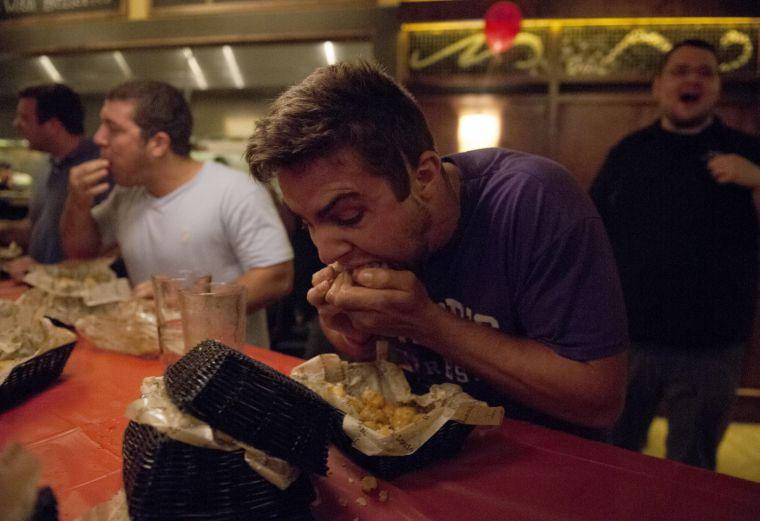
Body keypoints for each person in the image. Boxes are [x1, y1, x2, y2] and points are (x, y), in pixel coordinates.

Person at [245, 60, 628, 439]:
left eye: (349, 215)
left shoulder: (531, 200)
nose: (326, 251)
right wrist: (356, 335)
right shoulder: (368, 244)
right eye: (308, 223)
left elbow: (598, 399)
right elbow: (386, 372)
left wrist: (430, 325)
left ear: (424, 177)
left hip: (551, 462)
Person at [591, 40, 760, 469]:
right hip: (630, 339)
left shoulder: (748, 152)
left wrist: (758, 179)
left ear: (718, 87)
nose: (692, 79)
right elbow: (594, 235)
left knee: (692, 467)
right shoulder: (628, 153)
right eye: (680, 71)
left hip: (713, 346)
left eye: (704, 72)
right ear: (659, 86)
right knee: (611, 455)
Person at [60, 80, 293, 348]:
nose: (98, 138)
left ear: (158, 144)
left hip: (227, 362)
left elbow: (277, 275)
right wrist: (77, 202)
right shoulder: (127, 195)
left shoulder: (235, 190)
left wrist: (193, 306)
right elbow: (80, 252)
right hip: (154, 353)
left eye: (113, 129)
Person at [0, 84, 105, 278]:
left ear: (54, 126)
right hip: (38, 287)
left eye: (24, 118)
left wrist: (48, 271)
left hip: (79, 295)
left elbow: (107, 248)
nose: (15, 124)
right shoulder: (47, 164)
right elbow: (37, 227)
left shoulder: (99, 168)